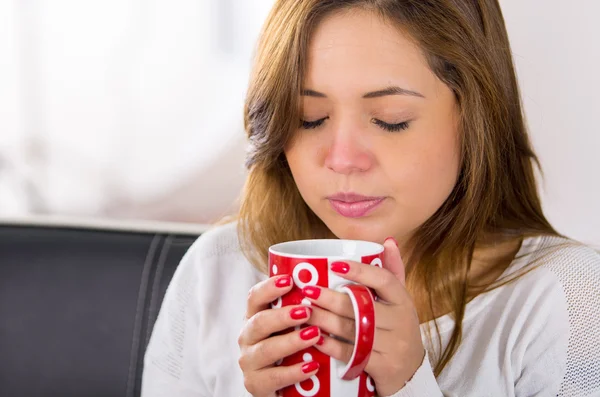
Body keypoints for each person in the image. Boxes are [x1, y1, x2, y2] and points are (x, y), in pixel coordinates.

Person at [141, 1, 600, 396]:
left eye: (390, 120)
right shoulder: (218, 273)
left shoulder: (565, 301)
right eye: (310, 118)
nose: (342, 160)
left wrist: (408, 383)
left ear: (475, 117)